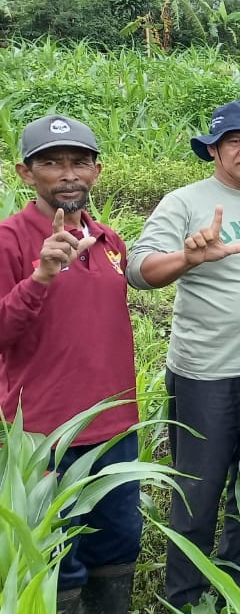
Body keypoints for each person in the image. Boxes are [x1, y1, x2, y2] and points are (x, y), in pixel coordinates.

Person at [126, 100, 240, 608]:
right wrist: (188, 256)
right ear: (214, 150)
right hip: (207, 375)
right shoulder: (184, 202)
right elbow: (138, 270)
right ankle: (184, 597)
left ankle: (236, 592)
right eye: (235, 141)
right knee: (197, 495)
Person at [0, 116, 138, 614]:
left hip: (117, 424)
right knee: (58, 556)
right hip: (43, 434)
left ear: (96, 171)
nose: (67, 174)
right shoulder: (9, 240)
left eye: (79, 162)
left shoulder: (110, 241)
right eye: (51, 163)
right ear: (25, 172)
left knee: (118, 543)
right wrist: (40, 276)